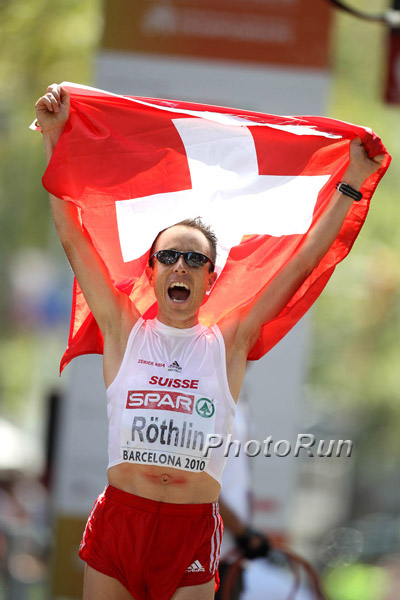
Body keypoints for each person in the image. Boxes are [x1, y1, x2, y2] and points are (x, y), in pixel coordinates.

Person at [35, 83, 385, 600]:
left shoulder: (230, 341)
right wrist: (56, 137)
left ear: (210, 279)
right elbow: (72, 234)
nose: (182, 266)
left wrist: (351, 182)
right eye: (171, 257)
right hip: (119, 524)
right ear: (151, 272)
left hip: (191, 531)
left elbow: (304, 261)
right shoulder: (122, 328)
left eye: (195, 259)